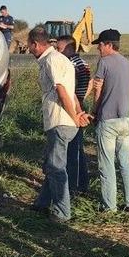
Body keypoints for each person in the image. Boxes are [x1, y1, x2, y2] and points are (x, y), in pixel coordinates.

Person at [28, 27, 91, 223]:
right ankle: (42, 203)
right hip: (64, 120)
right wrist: (79, 112)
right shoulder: (62, 60)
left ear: (36, 44)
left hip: (60, 120)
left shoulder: (52, 60)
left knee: (56, 167)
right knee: (51, 163)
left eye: (30, 46)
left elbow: (63, 91)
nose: (29, 50)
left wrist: (73, 117)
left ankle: (62, 212)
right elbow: (72, 92)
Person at [91, 29, 129, 212]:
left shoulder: (104, 62)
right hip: (125, 120)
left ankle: (109, 205)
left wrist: (94, 111)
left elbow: (98, 88)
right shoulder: (128, 63)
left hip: (108, 121)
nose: (98, 49)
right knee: (125, 161)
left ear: (109, 45)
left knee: (106, 164)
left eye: (100, 45)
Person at [56, 35, 92, 196]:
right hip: (80, 105)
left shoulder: (70, 65)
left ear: (69, 48)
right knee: (78, 148)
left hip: (72, 108)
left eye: (60, 49)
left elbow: (68, 90)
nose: (58, 52)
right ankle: (83, 183)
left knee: (72, 150)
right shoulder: (83, 63)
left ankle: (72, 186)